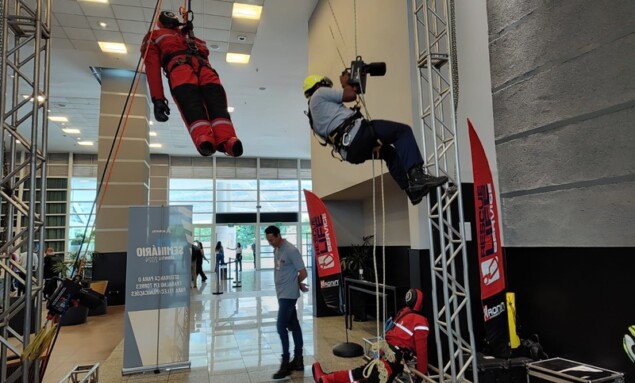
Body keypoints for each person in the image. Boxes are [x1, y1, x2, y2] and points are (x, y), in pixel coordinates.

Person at [303, 73, 448, 206]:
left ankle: (411, 191)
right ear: (318, 85)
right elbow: (350, 95)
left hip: (351, 152)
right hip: (358, 134)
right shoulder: (320, 93)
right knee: (402, 132)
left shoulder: (313, 119)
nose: (329, 88)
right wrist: (345, 83)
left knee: (389, 154)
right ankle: (417, 177)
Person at [141, 11, 243, 157]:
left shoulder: (187, 36)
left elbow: (152, 67)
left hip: (195, 71)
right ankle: (206, 139)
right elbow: (152, 66)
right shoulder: (154, 37)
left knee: (216, 106)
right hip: (193, 71)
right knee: (193, 106)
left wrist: (158, 99)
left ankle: (226, 140)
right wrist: (157, 98)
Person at [312, 288, 429, 383]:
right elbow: (421, 349)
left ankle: (329, 378)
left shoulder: (402, 313)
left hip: (385, 350)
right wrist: (422, 374)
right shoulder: (420, 321)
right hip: (395, 356)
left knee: (363, 371)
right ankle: (328, 379)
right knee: (372, 378)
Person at [265, 225, 308, 380]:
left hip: (289, 296)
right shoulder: (276, 250)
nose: (270, 242)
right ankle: (298, 360)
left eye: (271, 239)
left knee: (280, 326)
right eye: (268, 240)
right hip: (281, 293)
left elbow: (303, 272)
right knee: (294, 324)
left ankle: (285, 364)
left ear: (278, 236)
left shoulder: (291, 250)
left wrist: (295, 283)